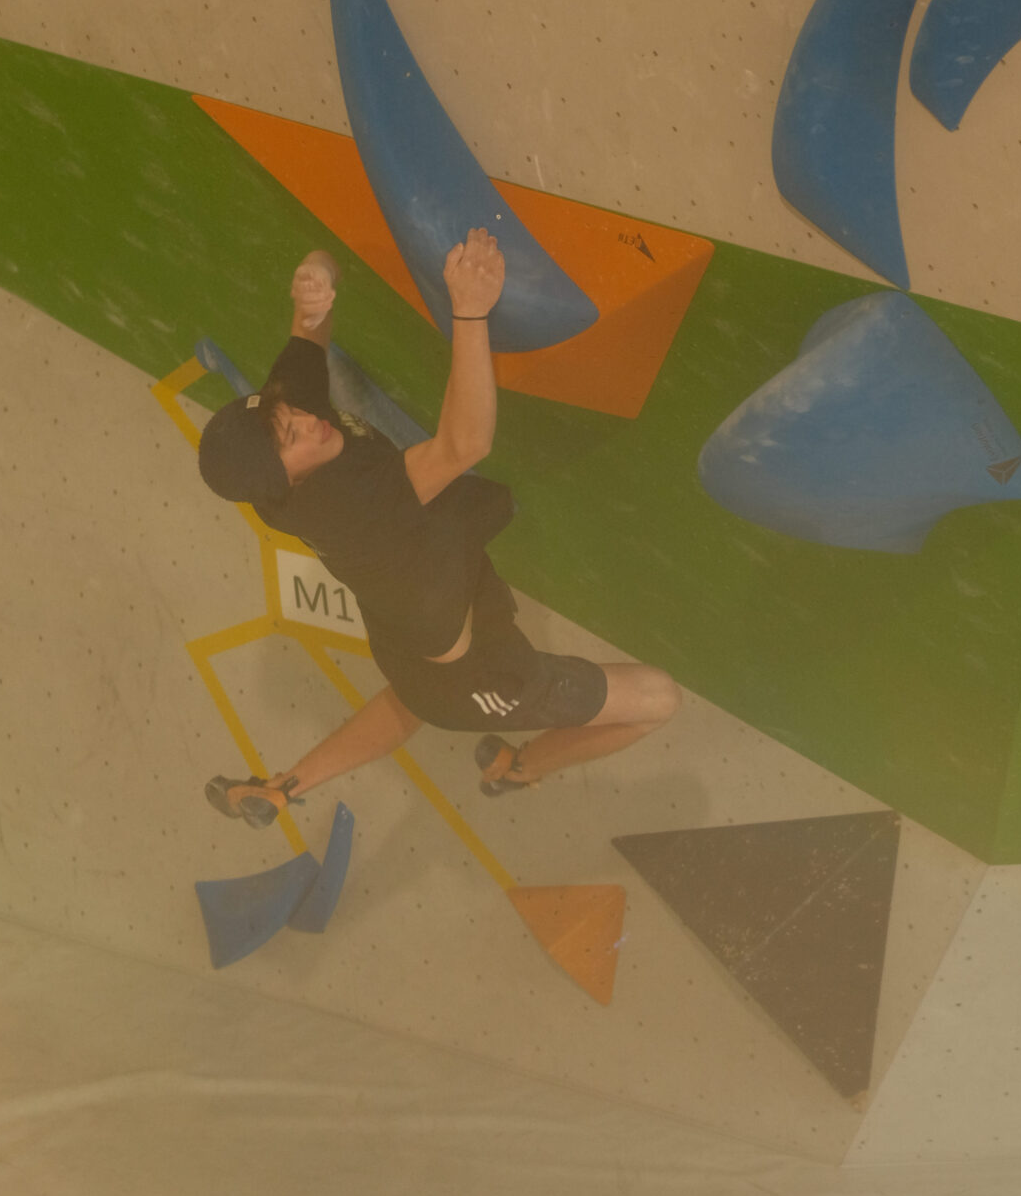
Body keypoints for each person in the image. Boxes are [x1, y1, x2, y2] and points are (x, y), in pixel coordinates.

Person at [195, 232, 679, 822]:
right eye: (291, 436)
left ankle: (279, 789)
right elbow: (464, 443)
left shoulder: (282, 430)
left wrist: (313, 278)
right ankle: (520, 767)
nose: (304, 419)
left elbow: (309, 324)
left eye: (286, 412)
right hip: (477, 670)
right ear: (287, 484)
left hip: (405, 628)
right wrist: (470, 310)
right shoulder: (347, 507)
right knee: (659, 699)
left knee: (411, 698)